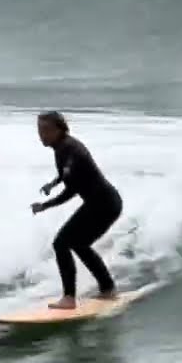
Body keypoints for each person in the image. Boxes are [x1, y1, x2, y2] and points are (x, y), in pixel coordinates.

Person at [30, 111, 122, 309]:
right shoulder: (61, 147)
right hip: (101, 203)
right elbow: (65, 174)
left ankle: (69, 298)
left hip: (104, 205)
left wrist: (45, 205)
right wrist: (52, 183)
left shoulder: (72, 150)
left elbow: (71, 190)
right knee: (79, 244)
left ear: (59, 129)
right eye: (39, 130)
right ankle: (108, 288)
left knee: (61, 243)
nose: (41, 135)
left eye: (45, 130)